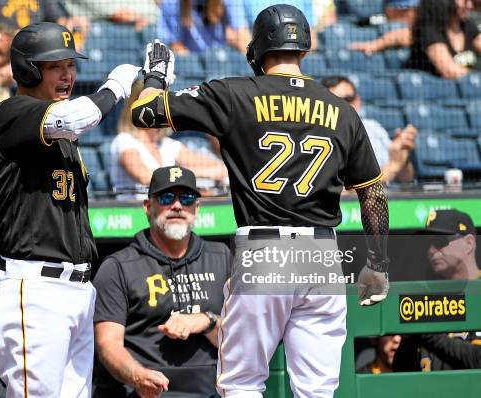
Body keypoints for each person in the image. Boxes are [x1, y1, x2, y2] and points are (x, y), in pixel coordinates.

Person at [131, 4, 391, 397]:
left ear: (257, 49)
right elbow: (372, 192)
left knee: (242, 383)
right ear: (304, 48)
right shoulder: (341, 110)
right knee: (318, 391)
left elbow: (144, 113)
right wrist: (378, 264)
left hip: (264, 249)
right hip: (321, 254)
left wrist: (154, 76)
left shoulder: (234, 92)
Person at [0, 22, 140, 398]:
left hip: (76, 290)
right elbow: (75, 118)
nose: (68, 74)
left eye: (70, 64)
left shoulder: (62, 139)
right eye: (55, 66)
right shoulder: (13, 113)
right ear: (29, 70)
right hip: (33, 288)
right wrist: (117, 86)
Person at [93, 166, 231, 397]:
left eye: (186, 198)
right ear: (148, 207)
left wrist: (206, 321)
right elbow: (107, 344)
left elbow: (242, 343)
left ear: (196, 208)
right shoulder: (117, 266)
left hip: (210, 390)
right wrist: (137, 376)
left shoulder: (222, 257)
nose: (177, 206)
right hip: (142, 390)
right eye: (166, 197)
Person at [393, 209, 481, 371]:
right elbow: (401, 369)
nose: (432, 250)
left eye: (440, 241)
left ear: (468, 243)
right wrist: (410, 337)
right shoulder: (427, 296)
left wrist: (426, 333)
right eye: (428, 243)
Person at [111, 81, 228, 199]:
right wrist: (196, 174)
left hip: (165, 207)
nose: (164, 109)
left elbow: (220, 168)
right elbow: (146, 177)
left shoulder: (168, 145)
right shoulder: (124, 141)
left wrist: (206, 172)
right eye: (158, 103)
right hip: (133, 211)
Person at [322, 75, 417, 184]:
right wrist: (393, 167)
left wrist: (401, 158)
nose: (344, 106)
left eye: (348, 99)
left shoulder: (373, 128)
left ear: (357, 101)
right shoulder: (323, 135)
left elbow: (406, 179)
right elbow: (348, 189)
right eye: (336, 101)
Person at [407, 0, 481, 79]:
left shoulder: (467, 25)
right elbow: (449, 71)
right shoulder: (429, 29)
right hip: (432, 88)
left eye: (471, 1)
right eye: (465, 1)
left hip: (466, 86)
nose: (470, 6)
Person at [158, 0, 251, 54]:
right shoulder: (171, 2)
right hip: (192, 63)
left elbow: (242, 35)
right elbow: (176, 45)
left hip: (221, 58)